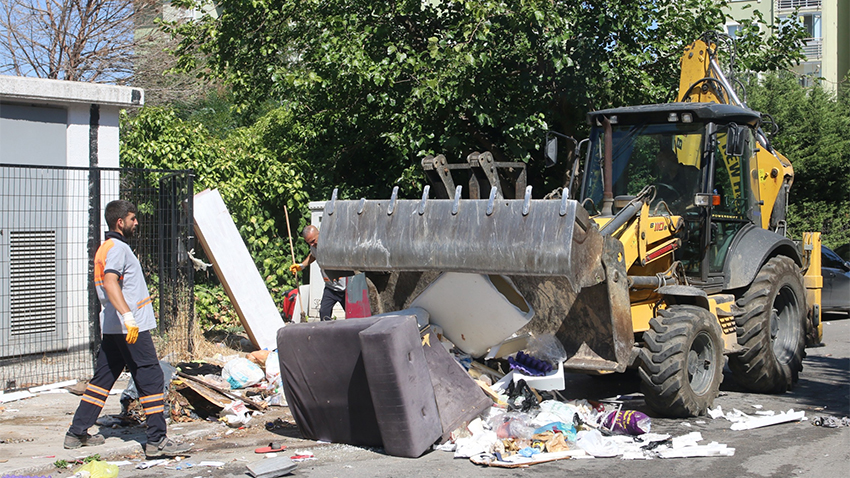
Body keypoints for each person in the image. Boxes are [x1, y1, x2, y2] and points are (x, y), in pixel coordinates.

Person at [65, 200, 190, 458]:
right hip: (130, 327)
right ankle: (157, 440)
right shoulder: (118, 248)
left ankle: (76, 432)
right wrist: (129, 317)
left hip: (113, 326)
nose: (136, 223)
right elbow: (111, 282)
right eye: (133, 219)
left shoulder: (104, 248)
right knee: (151, 376)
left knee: (103, 378)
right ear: (120, 222)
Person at [289, 225, 346, 321]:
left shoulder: (333, 243)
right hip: (330, 288)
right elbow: (313, 255)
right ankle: (326, 329)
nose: (312, 244)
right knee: (324, 313)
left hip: (345, 288)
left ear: (319, 234)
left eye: (313, 241)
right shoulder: (314, 247)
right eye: (309, 243)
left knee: (353, 315)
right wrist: (301, 266)